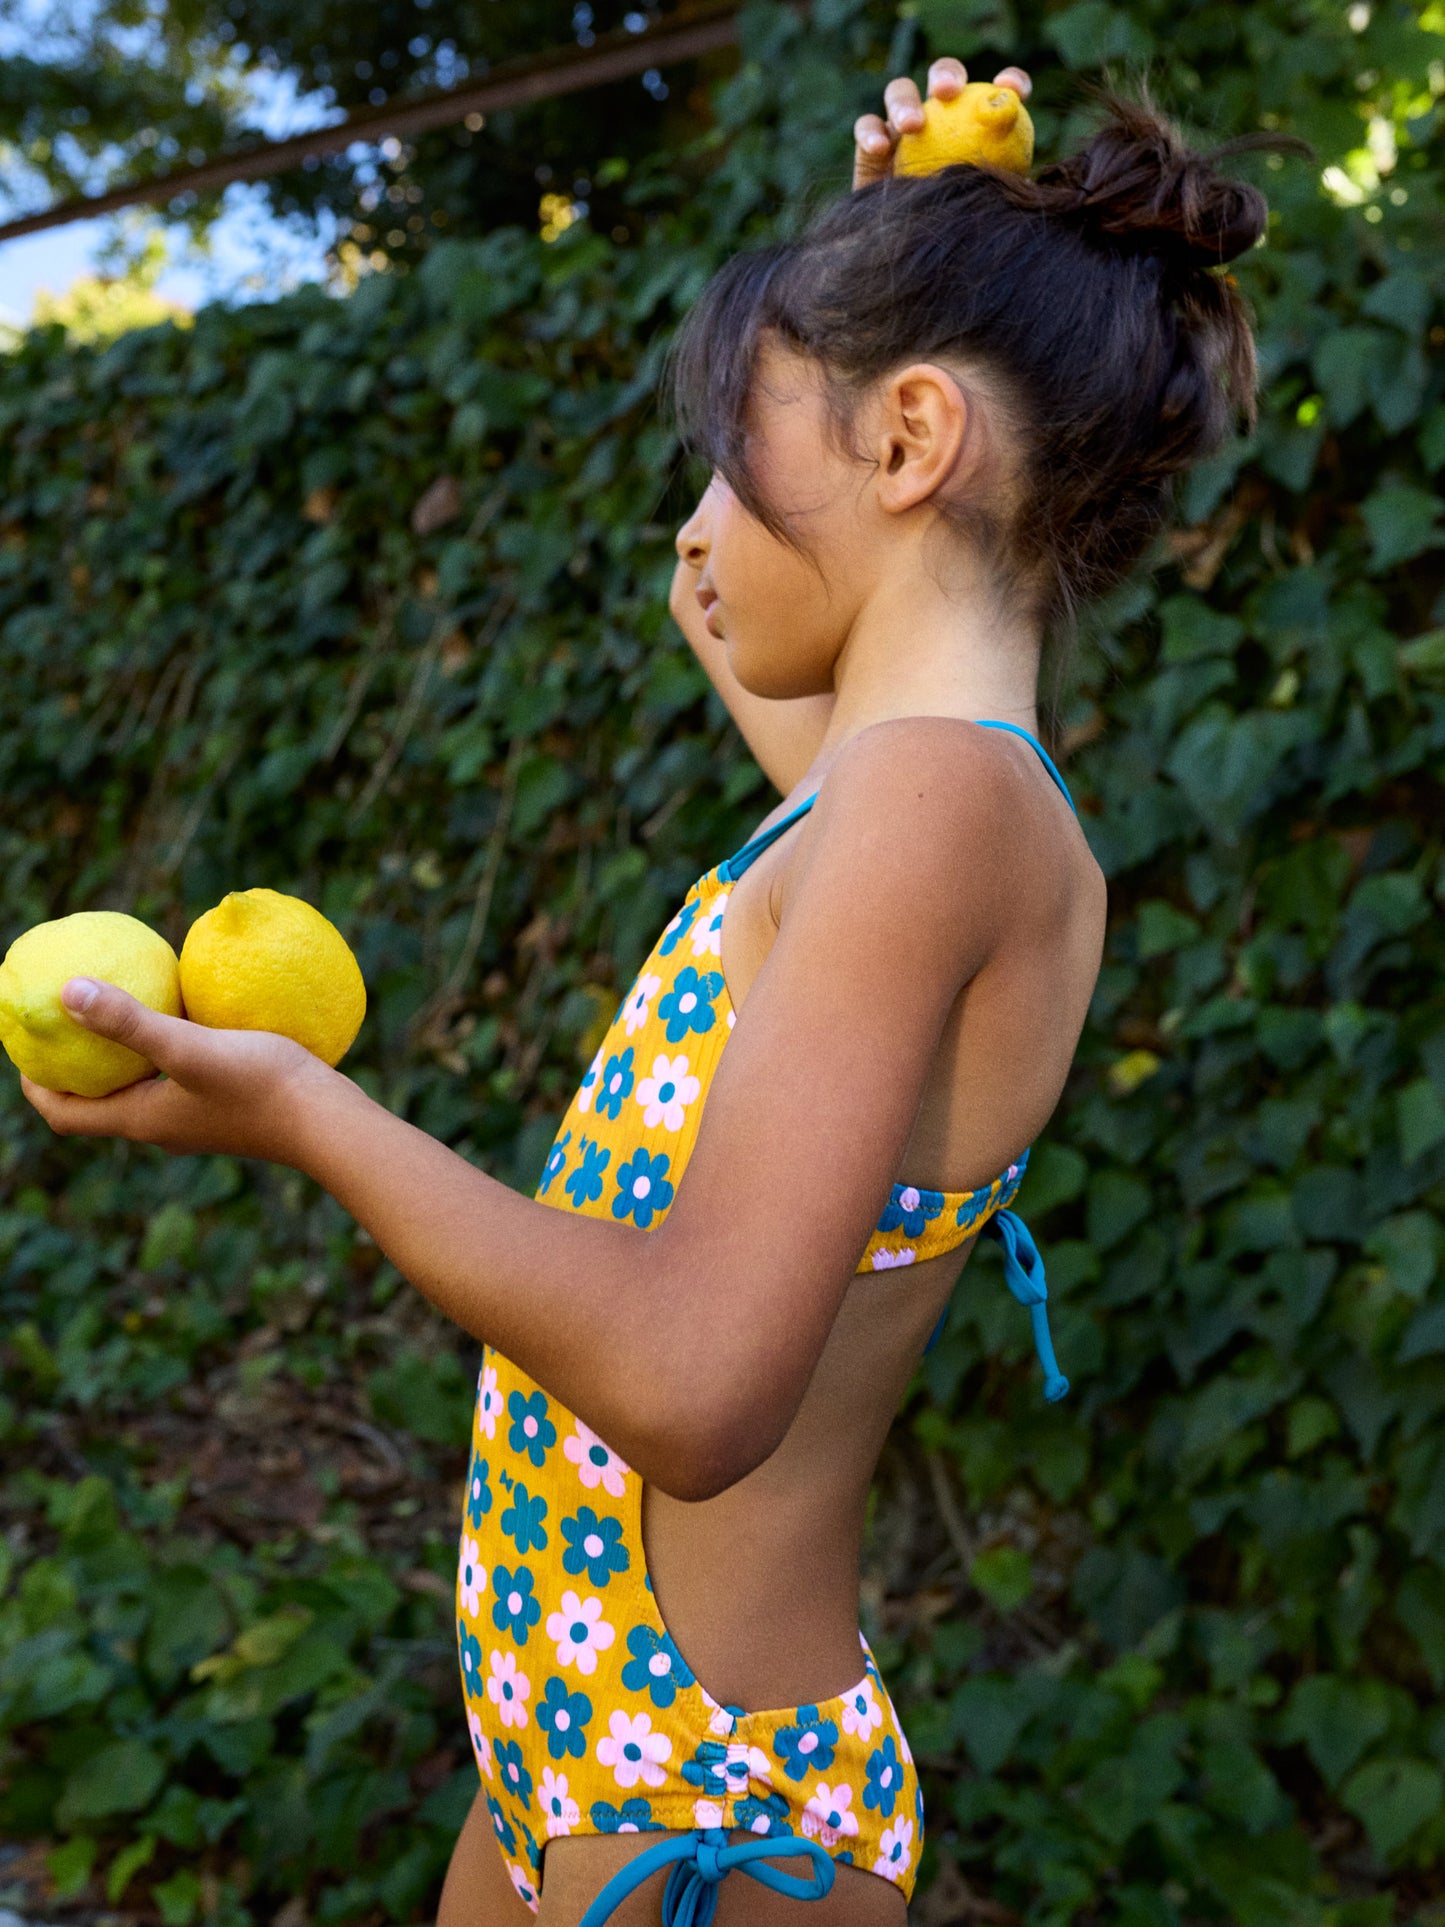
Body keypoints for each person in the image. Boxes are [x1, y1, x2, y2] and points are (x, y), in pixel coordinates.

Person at [26, 50, 1307, 1927]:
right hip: (566, 1772)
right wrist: (883, 262)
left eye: (736, 445)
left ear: (910, 442)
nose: (699, 519)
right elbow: (744, 616)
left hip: (701, 1809)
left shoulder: (930, 808)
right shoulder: (887, 804)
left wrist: (300, 1112)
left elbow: (697, 1387)